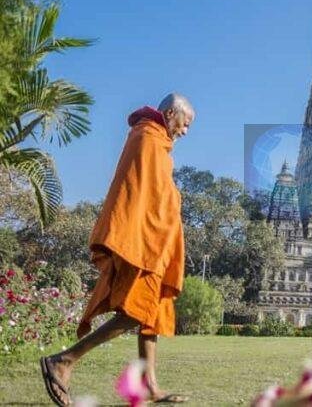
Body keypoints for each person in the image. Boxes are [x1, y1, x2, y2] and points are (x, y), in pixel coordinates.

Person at [40, 94, 195, 406]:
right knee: (135, 312)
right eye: (185, 123)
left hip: (154, 243)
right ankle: (65, 360)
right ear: (169, 114)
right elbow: (143, 196)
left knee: (150, 313)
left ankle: (150, 386)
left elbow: (157, 192)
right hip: (142, 241)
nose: (185, 131)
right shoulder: (147, 139)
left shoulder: (155, 140)